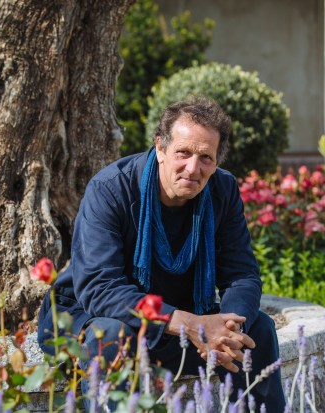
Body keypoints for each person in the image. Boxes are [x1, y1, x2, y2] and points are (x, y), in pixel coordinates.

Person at [36, 97, 285, 410]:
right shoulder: (111, 189)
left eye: (205, 157)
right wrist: (187, 323)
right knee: (112, 334)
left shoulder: (223, 190)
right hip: (93, 316)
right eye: (183, 152)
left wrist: (226, 329)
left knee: (257, 329)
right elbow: (100, 288)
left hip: (176, 320)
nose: (193, 168)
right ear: (160, 148)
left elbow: (242, 274)